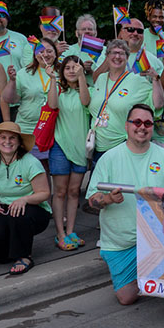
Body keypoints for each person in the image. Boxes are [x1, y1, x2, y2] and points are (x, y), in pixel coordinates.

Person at [87, 104, 164, 314]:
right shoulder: (109, 158)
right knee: (126, 297)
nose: (142, 127)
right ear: (127, 126)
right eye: (137, 122)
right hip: (121, 242)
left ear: (152, 127)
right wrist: (107, 199)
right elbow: (92, 200)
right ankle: (153, 276)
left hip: (159, 239)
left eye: (147, 123)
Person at [0, 122, 51, 275]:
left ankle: (24, 256)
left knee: (18, 215)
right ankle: (9, 253)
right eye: (3, 137)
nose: (7, 141)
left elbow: (44, 193)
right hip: (4, 206)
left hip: (34, 208)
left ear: (19, 142)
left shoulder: (30, 162)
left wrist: (24, 199)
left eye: (12, 138)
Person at [88, 39, 162, 157]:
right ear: (107, 57)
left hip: (121, 145)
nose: (117, 56)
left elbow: (158, 104)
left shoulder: (137, 81)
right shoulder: (101, 78)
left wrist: (155, 79)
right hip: (97, 147)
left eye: (122, 53)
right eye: (113, 53)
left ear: (127, 58)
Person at [47, 55, 92, 250]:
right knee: (59, 192)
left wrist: (82, 77)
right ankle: (60, 233)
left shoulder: (86, 89)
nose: (72, 70)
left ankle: (71, 230)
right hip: (60, 146)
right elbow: (52, 105)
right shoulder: (58, 90)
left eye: (76, 67)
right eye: (68, 68)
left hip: (80, 147)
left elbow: (85, 101)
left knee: (74, 192)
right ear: (61, 72)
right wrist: (52, 79)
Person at [3, 37, 58, 156]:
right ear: (35, 54)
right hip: (28, 130)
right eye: (41, 51)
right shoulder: (24, 73)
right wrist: (12, 81)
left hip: (55, 130)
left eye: (49, 51)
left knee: (49, 169)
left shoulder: (64, 71)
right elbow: (10, 100)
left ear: (56, 53)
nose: (45, 54)